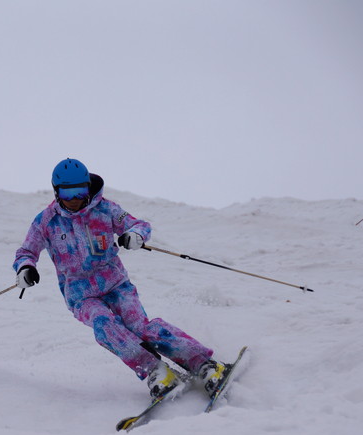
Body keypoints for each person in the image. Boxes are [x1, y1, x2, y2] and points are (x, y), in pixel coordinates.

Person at [13, 158, 226, 399]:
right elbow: (26, 252)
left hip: (116, 284)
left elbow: (138, 225)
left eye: (79, 191)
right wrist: (25, 268)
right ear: (56, 191)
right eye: (66, 192)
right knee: (104, 325)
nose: (73, 198)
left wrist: (134, 235)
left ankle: (205, 365)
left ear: (88, 188)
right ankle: (157, 371)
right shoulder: (46, 222)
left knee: (140, 328)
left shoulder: (106, 210)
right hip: (80, 295)